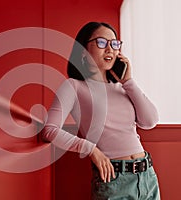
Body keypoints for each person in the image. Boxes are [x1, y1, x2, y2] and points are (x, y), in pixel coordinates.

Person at [41, 22, 160, 199]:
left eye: (115, 44)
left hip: (147, 176)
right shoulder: (74, 86)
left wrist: (128, 81)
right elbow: (49, 130)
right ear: (83, 50)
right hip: (113, 179)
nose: (110, 49)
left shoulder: (123, 87)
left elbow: (150, 121)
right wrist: (91, 149)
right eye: (102, 43)